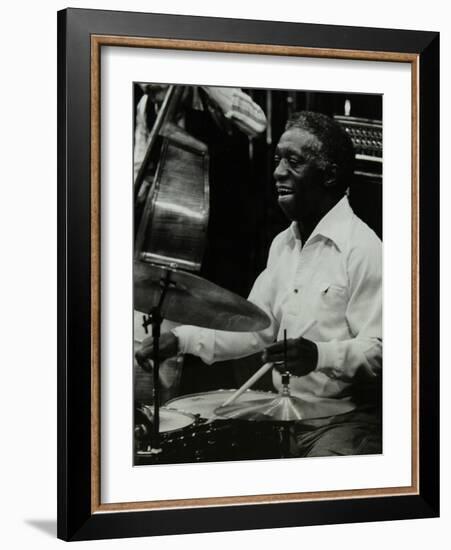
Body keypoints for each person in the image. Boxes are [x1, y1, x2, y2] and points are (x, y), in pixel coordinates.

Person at [136, 111, 382, 457]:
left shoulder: (364, 249)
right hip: (285, 414)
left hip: (345, 424)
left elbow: (383, 351)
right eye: (278, 159)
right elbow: (256, 329)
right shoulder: (283, 244)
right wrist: (180, 339)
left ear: (328, 174)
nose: (278, 171)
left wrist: (319, 354)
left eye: (293, 161)